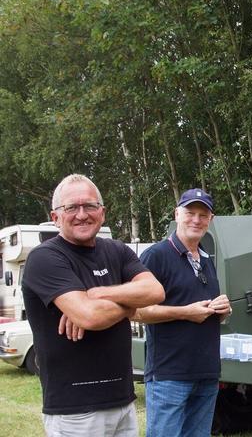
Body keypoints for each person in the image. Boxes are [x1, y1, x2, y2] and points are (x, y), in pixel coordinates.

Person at [22, 173, 166, 437]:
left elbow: (155, 291)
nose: (81, 214)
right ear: (55, 217)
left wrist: (97, 293)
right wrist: (130, 306)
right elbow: (91, 317)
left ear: (102, 212)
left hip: (123, 401)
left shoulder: (117, 250)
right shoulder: (45, 258)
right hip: (74, 410)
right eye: (71, 208)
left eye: (89, 206)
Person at [133, 188, 231, 437]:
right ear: (177, 214)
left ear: (211, 219)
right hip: (169, 376)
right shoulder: (156, 256)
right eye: (190, 213)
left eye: (203, 214)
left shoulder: (207, 260)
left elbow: (202, 310)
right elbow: (135, 311)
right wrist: (185, 313)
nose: (196, 220)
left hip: (206, 373)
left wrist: (221, 311)